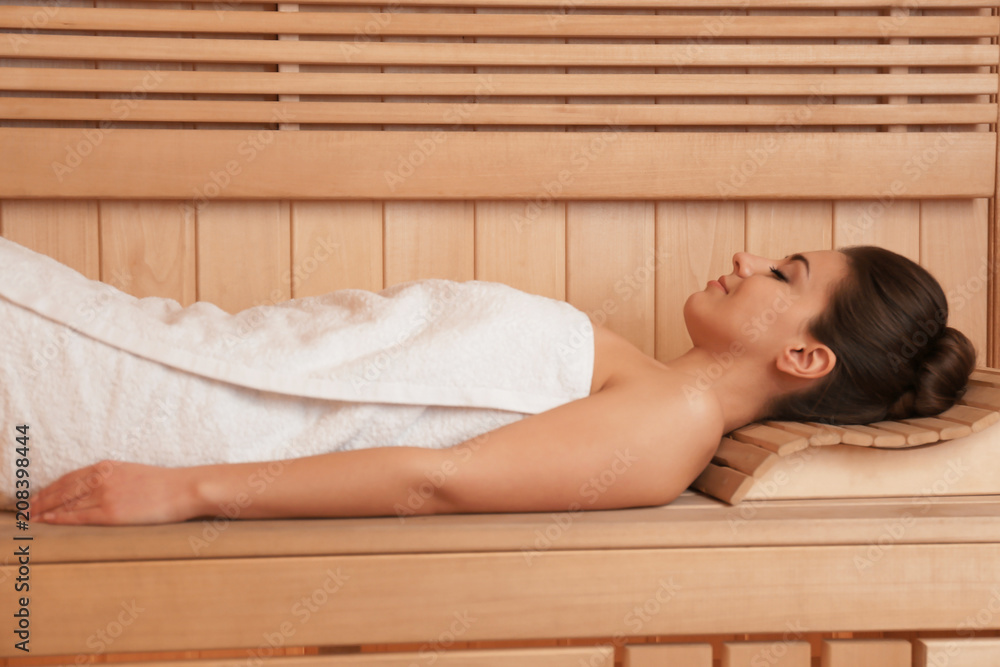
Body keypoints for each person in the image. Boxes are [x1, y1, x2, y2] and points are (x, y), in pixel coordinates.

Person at [31, 245, 977, 526]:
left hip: (154, 397)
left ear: (807, 357)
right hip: (155, 351)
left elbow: (436, 478)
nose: (748, 260)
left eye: (785, 273)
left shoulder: (670, 423)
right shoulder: (649, 385)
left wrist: (183, 488)